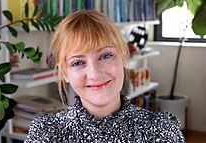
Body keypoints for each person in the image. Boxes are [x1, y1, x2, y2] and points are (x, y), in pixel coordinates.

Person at [24, 10, 185, 143]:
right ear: (65, 72)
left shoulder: (162, 131)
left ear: (123, 57)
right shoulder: (45, 134)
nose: (94, 74)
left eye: (105, 56)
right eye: (77, 63)